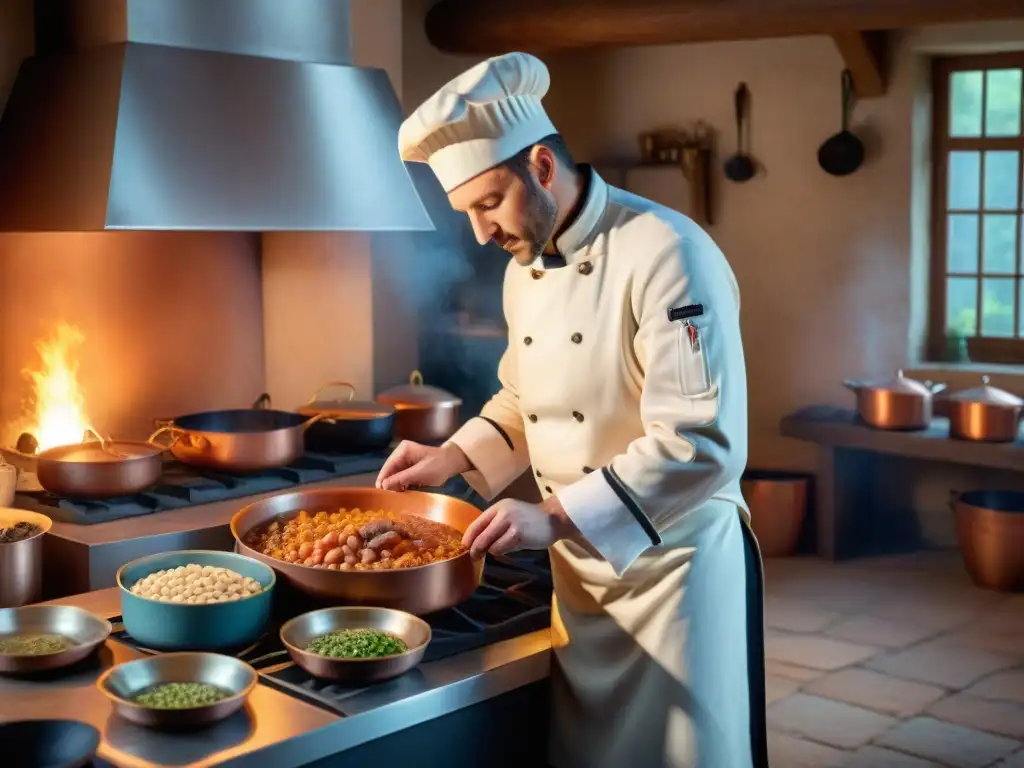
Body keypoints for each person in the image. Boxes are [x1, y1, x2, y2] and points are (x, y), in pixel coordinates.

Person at [378, 51, 767, 768]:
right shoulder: (523, 270)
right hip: (582, 576)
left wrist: (550, 517)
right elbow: (525, 394)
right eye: (466, 213)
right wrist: (453, 457)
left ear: (542, 167)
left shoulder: (670, 254)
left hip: (673, 575)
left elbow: (701, 443)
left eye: (488, 204)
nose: (480, 234)